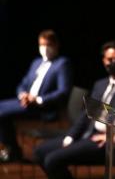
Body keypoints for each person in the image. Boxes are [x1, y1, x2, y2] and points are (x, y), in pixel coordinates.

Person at [34, 40, 115, 179]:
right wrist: (71, 136)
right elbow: (86, 115)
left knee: (52, 160)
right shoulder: (100, 84)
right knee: (40, 151)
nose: (114, 62)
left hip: (111, 143)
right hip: (89, 135)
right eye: (110, 59)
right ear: (103, 61)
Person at [0, 29, 73, 162]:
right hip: (26, 102)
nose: (45, 48)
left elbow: (63, 92)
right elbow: (23, 83)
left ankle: (11, 151)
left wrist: (38, 100)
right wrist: (23, 95)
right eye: (42, 45)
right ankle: (12, 150)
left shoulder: (62, 64)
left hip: (43, 107)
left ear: (56, 45)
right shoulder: (36, 62)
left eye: (48, 45)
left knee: (2, 114)